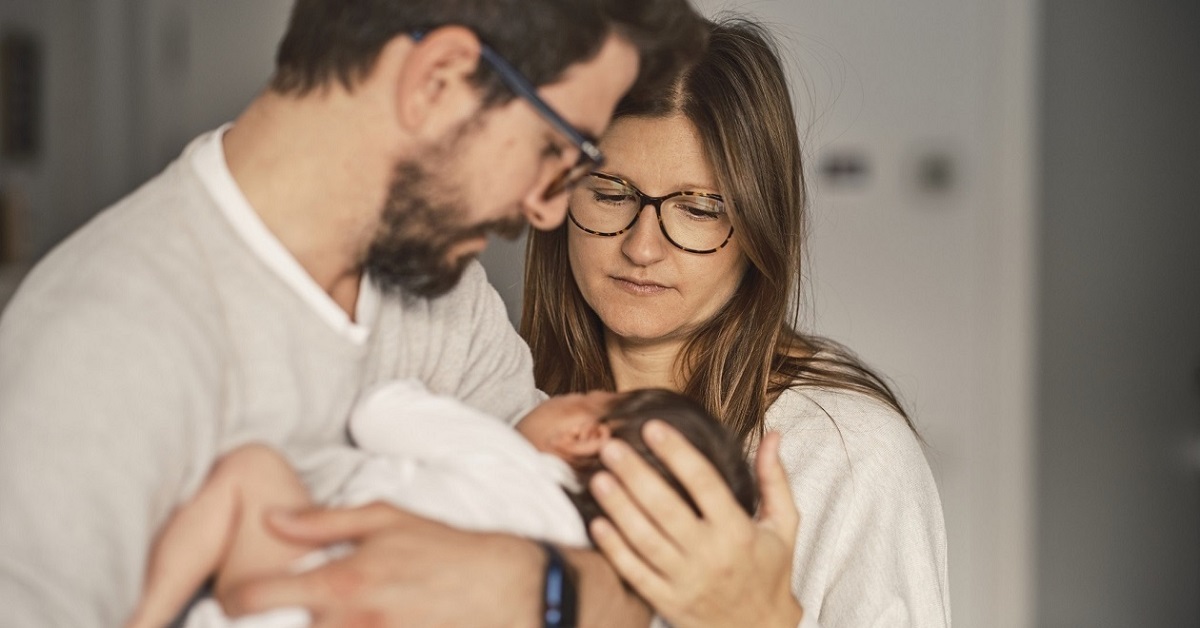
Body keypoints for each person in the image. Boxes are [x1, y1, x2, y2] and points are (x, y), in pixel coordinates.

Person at [0, 1, 710, 626]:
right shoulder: (91, 351)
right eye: (557, 149)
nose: (549, 208)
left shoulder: (443, 294)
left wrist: (542, 590)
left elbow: (582, 531)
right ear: (438, 78)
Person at [522, 16, 952, 628]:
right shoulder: (498, 403)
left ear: (759, 227)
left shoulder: (849, 456)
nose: (643, 247)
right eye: (612, 194)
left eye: (698, 208)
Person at [128, 383, 757, 628]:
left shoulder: (506, 457)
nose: (562, 393)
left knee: (252, 470)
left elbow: (381, 410)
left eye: (587, 395)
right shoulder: (621, 605)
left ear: (585, 435)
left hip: (301, 596)